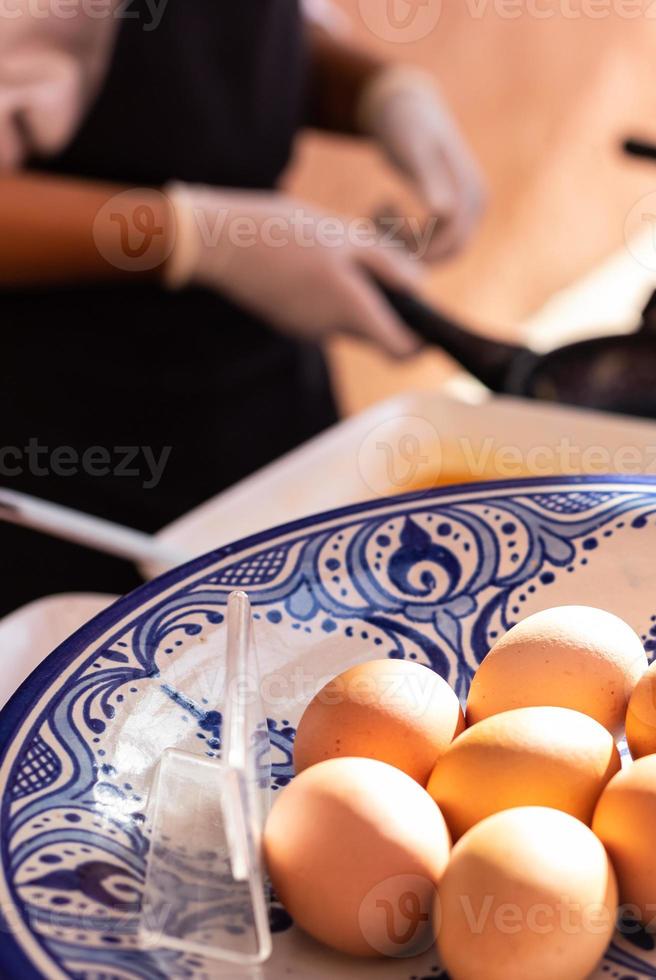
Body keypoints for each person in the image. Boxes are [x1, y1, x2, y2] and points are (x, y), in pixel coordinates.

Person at [0, 1, 485, 612]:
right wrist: (196, 236)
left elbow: (248, 39)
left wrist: (381, 93)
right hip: (74, 437)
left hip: (267, 388)